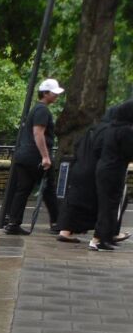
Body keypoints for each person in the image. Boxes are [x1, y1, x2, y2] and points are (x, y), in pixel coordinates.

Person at [56, 101, 133, 249]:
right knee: (109, 205)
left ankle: (69, 231)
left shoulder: (97, 129)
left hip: (86, 168)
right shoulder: (121, 130)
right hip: (107, 169)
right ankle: (103, 236)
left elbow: (79, 146)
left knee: (77, 201)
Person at [2, 78, 63, 234]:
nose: (56, 96)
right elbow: (38, 133)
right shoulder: (43, 110)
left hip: (23, 155)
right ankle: (57, 223)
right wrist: (45, 157)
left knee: (22, 189)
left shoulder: (35, 109)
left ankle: (13, 223)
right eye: (54, 93)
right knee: (49, 188)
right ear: (45, 93)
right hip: (35, 156)